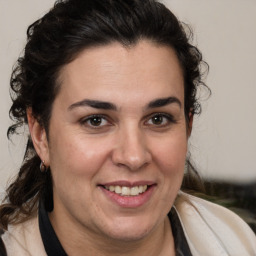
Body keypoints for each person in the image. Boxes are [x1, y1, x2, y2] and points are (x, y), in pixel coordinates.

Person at [0, 0, 255, 255]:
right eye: (96, 120)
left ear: (188, 126)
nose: (133, 156)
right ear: (41, 135)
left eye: (158, 119)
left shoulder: (235, 240)